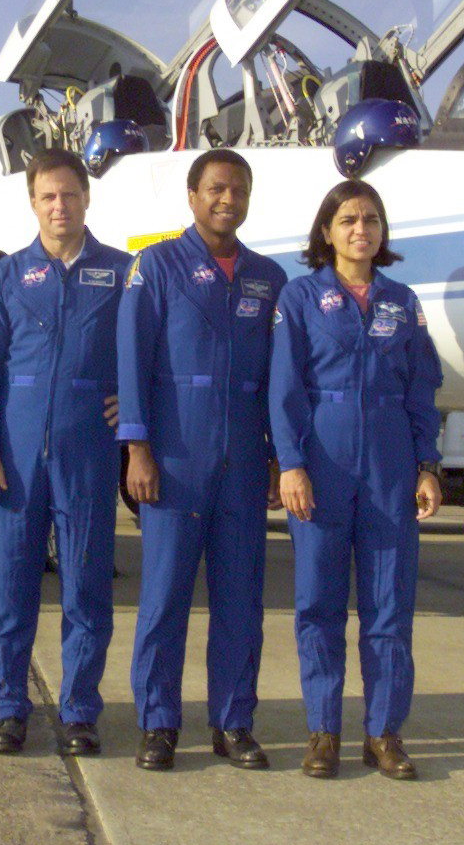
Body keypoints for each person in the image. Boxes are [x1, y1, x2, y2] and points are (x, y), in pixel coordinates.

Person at [117, 149, 287, 772]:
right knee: (163, 596)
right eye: (216, 189)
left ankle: (234, 722)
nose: (228, 200)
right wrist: (137, 448)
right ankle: (158, 723)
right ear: (192, 196)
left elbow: (279, 377)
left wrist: (278, 457)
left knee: (241, 600)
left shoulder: (269, 278)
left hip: (242, 459)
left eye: (238, 190)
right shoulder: (156, 266)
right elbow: (132, 361)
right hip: (174, 457)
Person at [269, 179, 443, 780]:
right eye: (347, 220)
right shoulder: (299, 298)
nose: (360, 229)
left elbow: (422, 386)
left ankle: (384, 734)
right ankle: (322, 733)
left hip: (391, 467)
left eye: (370, 219)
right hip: (322, 462)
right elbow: (284, 388)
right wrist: (290, 463)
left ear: (382, 231)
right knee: (318, 604)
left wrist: (427, 464)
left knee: (389, 605)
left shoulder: (402, 301)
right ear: (327, 231)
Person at [0, 149, 129, 756]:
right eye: (48, 197)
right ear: (33, 203)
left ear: (87, 198)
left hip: (88, 450)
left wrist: (128, 405)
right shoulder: (5, 277)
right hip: (18, 449)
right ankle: (7, 708)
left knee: (86, 585)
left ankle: (80, 711)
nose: (60, 206)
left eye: (70, 195)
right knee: (9, 587)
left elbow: (147, 352)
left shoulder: (120, 273)